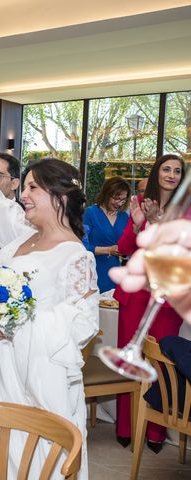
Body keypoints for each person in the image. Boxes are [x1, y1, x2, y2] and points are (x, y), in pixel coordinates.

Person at [0, 133, 98, 480]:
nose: (22, 195)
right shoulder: (20, 234)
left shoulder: (76, 257)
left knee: (23, 458)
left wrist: (17, 321)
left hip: (32, 378)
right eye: (24, 187)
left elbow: (83, 325)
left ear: (59, 197)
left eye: (32, 189)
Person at [113, 154, 185, 451]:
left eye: (178, 171)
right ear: (157, 173)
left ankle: (156, 431)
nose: (171, 174)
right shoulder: (140, 201)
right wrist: (137, 223)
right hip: (136, 293)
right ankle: (125, 426)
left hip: (167, 297)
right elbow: (125, 247)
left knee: (162, 363)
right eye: (166, 169)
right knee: (130, 362)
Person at [110, 219, 191, 324]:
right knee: (128, 337)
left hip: (168, 292)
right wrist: (135, 229)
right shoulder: (140, 211)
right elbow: (123, 248)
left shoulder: (183, 215)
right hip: (136, 289)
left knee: (163, 339)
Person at [83, 176, 130, 293]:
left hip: (114, 270)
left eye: (123, 200)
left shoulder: (124, 217)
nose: (119, 203)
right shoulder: (90, 213)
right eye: (117, 198)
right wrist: (108, 250)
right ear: (106, 194)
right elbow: (80, 246)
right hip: (92, 269)